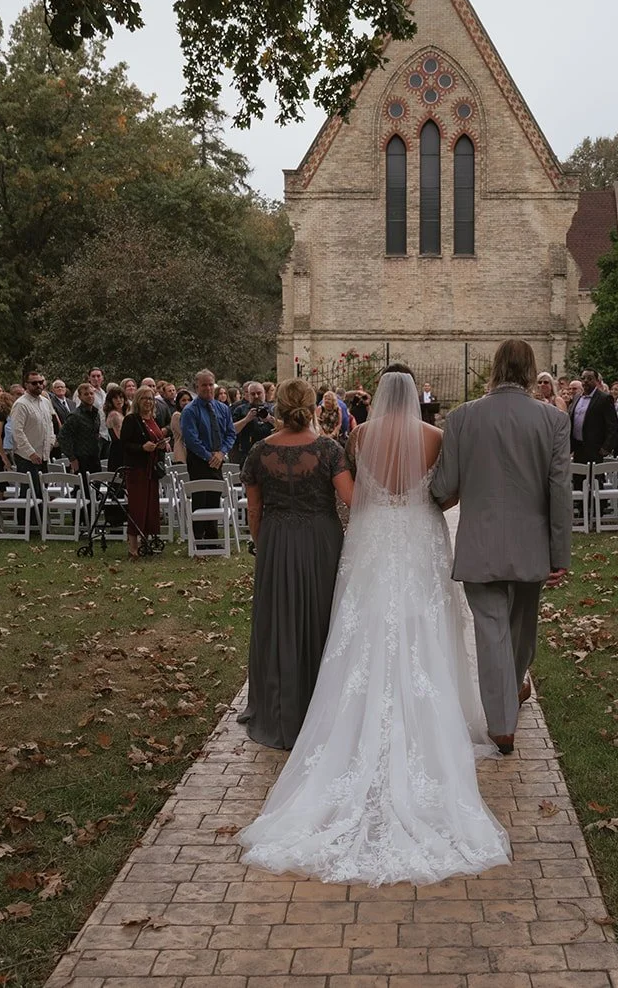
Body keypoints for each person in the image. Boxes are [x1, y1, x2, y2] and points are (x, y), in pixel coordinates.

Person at [239, 370, 508, 885]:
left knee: (361, 625)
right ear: (417, 397)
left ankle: (344, 715)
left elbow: (358, 495)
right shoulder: (436, 436)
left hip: (374, 537)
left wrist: (384, 504)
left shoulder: (359, 435)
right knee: (425, 621)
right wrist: (422, 501)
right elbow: (448, 493)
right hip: (419, 534)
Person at [428, 339, 571, 758]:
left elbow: (443, 486)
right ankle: (505, 713)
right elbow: (559, 490)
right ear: (530, 371)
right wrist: (559, 552)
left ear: (493, 368)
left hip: (480, 541)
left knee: (491, 631)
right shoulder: (552, 420)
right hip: (532, 543)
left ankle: (502, 719)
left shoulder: (462, 418)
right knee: (521, 629)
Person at [235, 379, 353, 749]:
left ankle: (278, 705)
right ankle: (320, 706)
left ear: (278, 407)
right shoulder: (329, 450)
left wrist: (263, 542)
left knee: (278, 617)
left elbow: (254, 510)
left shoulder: (258, 452)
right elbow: (352, 499)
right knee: (320, 615)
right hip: (321, 540)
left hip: (276, 538)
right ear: (312, 406)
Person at [181, 370, 236, 540]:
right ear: (197, 387)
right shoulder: (190, 411)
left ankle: (213, 538)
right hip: (199, 460)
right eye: (204, 385)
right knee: (200, 498)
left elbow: (230, 433)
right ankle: (197, 539)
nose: (208, 388)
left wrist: (221, 453)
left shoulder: (223, 408)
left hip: (218, 459)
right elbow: (191, 439)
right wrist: (208, 456)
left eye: (211, 384)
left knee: (214, 498)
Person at [118, 385, 169, 558]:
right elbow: (124, 445)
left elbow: (157, 439)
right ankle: (133, 546)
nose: (148, 402)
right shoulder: (132, 419)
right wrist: (142, 447)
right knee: (137, 507)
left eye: (151, 398)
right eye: (145, 398)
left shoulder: (153, 420)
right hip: (137, 470)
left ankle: (145, 542)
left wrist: (162, 445)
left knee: (150, 507)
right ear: (138, 400)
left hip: (152, 470)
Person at [10, 370, 56, 497]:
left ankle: (40, 517)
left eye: (41, 382)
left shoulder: (46, 402)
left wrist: (51, 441)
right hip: (27, 457)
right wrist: (31, 453)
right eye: (34, 383)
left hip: (43, 455)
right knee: (30, 494)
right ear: (26, 385)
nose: (39, 385)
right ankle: (25, 517)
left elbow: (50, 424)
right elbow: (17, 431)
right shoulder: (21, 404)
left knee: (42, 492)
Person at [568, 369, 618, 466]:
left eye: (590, 378)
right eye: (583, 378)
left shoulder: (604, 398)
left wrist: (607, 447)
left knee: (594, 479)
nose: (586, 381)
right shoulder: (577, 397)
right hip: (577, 447)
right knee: (578, 477)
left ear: (596, 381)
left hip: (595, 448)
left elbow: (613, 425)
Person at [56, 382, 102, 476]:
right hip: (81, 458)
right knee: (82, 487)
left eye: (91, 393)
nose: (89, 396)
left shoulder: (96, 413)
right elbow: (62, 437)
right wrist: (72, 458)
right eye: (86, 394)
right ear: (80, 397)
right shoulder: (75, 416)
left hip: (95, 456)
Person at [230, 381, 274, 465]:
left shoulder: (273, 409)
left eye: (259, 393)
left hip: (270, 454)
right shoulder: (240, 410)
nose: (256, 396)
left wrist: (270, 419)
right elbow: (232, 430)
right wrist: (246, 419)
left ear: (264, 393)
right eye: (253, 394)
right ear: (248, 395)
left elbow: (283, 428)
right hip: (248, 455)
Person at [102, 386, 128, 471]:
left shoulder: (122, 413)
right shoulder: (114, 415)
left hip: (120, 450)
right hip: (119, 451)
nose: (119, 400)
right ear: (111, 400)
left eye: (121, 397)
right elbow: (121, 436)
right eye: (115, 398)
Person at [170, 389, 192, 464]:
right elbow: (185, 433)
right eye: (183, 400)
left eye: (189, 400)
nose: (187, 402)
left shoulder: (191, 414)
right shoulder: (177, 416)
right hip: (181, 450)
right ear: (178, 402)